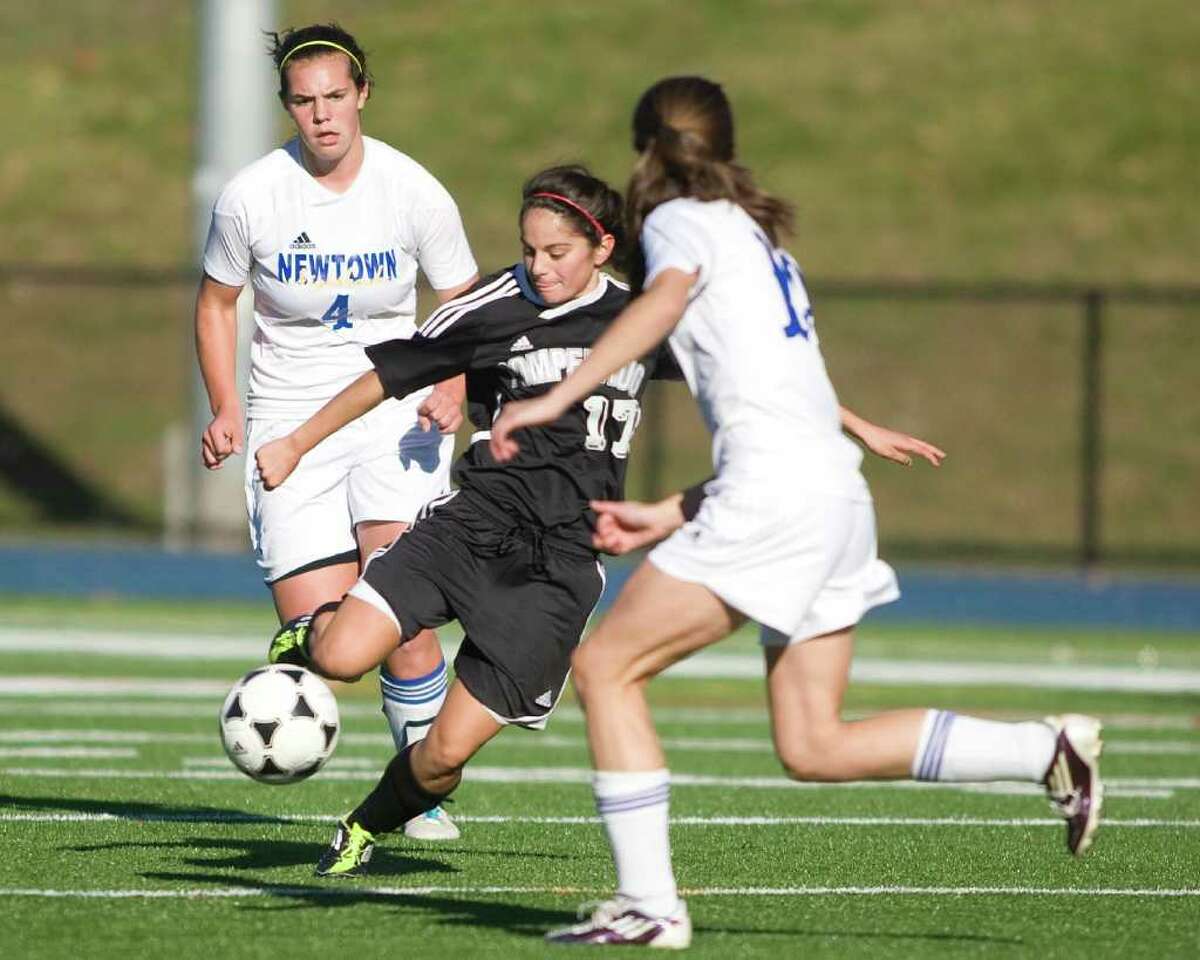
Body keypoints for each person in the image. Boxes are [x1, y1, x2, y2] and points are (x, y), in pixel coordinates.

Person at [489, 76, 1103, 950]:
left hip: (777, 497)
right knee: (813, 744)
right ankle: (1043, 750)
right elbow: (788, 419)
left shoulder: (678, 222)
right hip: (832, 497)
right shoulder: (758, 238)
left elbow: (661, 304)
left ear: (644, 152)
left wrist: (556, 399)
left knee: (605, 670)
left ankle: (650, 906)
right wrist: (672, 510)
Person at [252, 164, 938, 880]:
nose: (538, 267)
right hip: (473, 524)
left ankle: (362, 826)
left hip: (559, 567)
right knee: (338, 659)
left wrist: (858, 427)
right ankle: (315, 630)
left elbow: (757, 380)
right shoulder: (489, 307)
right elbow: (387, 376)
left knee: (443, 756)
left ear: (601, 248)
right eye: (528, 250)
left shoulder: (640, 318)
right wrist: (297, 442)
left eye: (557, 253)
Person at [195, 22, 478, 839]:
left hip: (398, 414)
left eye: (334, 98)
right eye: (303, 102)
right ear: (288, 107)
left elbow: (465, 304)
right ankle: (304, 650)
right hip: (289, 427)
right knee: (335, 646)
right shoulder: (252, 196)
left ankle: (417, 790)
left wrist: (454, 382)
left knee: (401, 606)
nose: (321, 115)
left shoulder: (413, 190)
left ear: (362, 95)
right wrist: (224, 405)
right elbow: (216, 303)